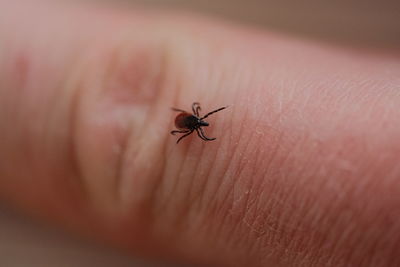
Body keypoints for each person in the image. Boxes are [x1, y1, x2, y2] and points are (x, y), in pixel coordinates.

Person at [0, 1, 399, 266]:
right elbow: (187, 119)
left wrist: (185, 130)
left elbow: (183, 117)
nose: (201, 125)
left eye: (200, 124)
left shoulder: (186, 120)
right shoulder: (191, 121)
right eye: (201, 124)